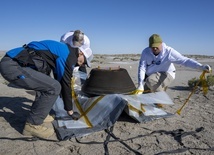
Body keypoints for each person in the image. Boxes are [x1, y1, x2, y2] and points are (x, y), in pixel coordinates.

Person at [0, 40, 93, 138]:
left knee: (47, 84)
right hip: (13, 66)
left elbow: (60, 78)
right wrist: (69, 110)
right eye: (84, 62)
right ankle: (32, 125)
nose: (82, 65)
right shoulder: (69, 55)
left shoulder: (65, 50)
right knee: (54, 87)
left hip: (16, 63)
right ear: (81, 52)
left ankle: (40, 114)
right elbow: (65, 83)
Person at [136, 34, 212, 94]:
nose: (154, 48)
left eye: (156, 46)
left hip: (167, 73)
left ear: (161, 44)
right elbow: (142, 68)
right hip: (152, 75)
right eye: (153, 46)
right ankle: (158, 91)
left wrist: (200, 66)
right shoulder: (145, 52)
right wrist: (140, 85)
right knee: (143, 93)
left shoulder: (169, 52)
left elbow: (184, 60)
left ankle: (161, 101)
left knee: (150, 81)